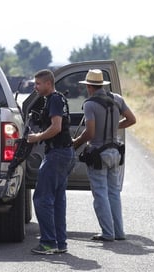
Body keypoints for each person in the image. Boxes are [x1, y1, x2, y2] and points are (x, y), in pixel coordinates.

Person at [73, 69, 136, 241]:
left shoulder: (89, 104)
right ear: (102, 84)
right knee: (114, 193)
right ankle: (119, 232)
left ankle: (108, 233)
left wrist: (75, 143)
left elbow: (90, 133)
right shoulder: (117, 99)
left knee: (100, 193)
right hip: (115, 151)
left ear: (89, 87)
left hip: (98, 153)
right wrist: (114, 126)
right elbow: (132, 119)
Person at [27, 69, 75, 255]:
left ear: (48, 83)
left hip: (57, 154)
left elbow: (56, 127)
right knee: (57, 200)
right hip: (64, 153)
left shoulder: (54, 99)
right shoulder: (58, 99)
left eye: (38, 84)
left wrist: (36, 136)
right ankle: (60, 242)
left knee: (41, 198)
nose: (35, 87)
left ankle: (48, 242)